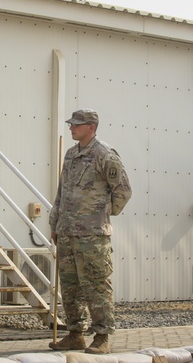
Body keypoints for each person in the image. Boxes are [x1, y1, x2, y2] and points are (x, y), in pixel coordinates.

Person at [48, 109, 131, 355]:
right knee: (70, 286)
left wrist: (104, 213)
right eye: (71, 124)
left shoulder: (104, 155)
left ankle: (102, 336)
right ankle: (75, 334)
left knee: (96, 285)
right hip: (67, 231)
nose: (71, 128)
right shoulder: (71, 154)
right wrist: (55, 223)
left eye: (77, 125)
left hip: (92, 234)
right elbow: (61, 193)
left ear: (91, 127)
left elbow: (123, 190)